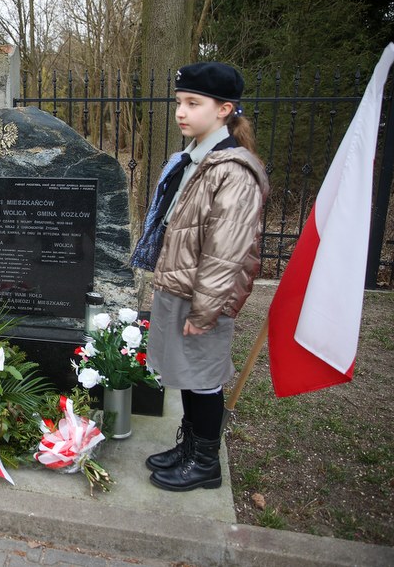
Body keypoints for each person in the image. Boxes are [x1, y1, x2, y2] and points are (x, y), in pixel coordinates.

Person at [131, 62, 269, 492]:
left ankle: (205, 462)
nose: (181, 112)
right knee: (187, 376)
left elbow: (226, 252)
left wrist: (206, 311)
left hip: (204, 297)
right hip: (181, 286)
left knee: (204, 380)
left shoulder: (234, 171)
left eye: (193, 103)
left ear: (225, 109)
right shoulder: (195, 159)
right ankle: (190, 448)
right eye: (179, 102)